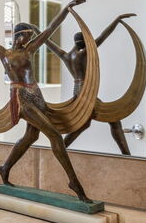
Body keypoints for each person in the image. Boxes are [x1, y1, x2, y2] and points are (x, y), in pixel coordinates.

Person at [0, 0, 94, 203]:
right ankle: (75, 183)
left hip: (37, 96)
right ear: (18, 36)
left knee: (31, 138)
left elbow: (49, 29)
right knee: (54, 135)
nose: (29, 41)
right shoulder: (4, 53)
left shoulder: (29, 50)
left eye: (30, 38)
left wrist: (66, 10)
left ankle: (5, 167)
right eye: (26, 37)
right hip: (22, 99)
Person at [46, 14, 137, 154]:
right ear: (85, 42)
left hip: (78, 91)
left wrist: (38, 34)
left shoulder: (66, 56)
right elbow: (102, 36)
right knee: (113, 119)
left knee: (84, 124)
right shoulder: (84, 54)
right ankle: (127, 155)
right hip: (86, 92)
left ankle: (60, 149)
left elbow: (49, 44)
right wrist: (116, 20)